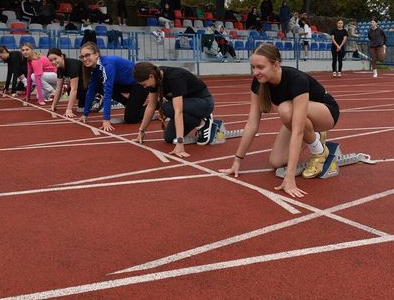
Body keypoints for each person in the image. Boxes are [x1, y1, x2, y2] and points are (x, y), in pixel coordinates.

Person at [219, 43, 339, 198]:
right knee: (276, 162)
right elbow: (252, 124)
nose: (256, 72)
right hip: (297, 116)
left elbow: (298, 130)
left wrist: (289, 178)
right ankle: (315, 136)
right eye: (253, 67)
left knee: (285, 109)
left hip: (326, 112)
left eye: (260, 67)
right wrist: (237, 161)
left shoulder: (296, 80)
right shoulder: (258, 83)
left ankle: (319, 151)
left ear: (276, 64)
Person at [134, 62, 216, 157]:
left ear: (151, 76)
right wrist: (141, 131)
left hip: (204, 103)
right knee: (169, 138)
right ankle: (197, 120)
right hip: (186, 105)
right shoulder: (155, 80)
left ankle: (203, 122)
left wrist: (180, 144)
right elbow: (151, 106)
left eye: (144, 84)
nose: (144, 87)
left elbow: (178, 111)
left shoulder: (174, 77)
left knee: (167, 107)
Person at [79, 42, 148, 130]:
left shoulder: (107, 65)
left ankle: (156, 105)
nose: (84, 59)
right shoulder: (95, 68)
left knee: (130, 119)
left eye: (87, 55)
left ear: (96, 54)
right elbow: (91, 91)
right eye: (82, 57)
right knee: (98, 86)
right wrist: (85, 114)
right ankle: (129, 105)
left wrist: (106, 119)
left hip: (140, 84)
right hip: (125, 84)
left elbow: (108, 92)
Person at [47, 48, 86, 117]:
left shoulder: (72, 66)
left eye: (55, 59)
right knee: (70, 91)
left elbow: (74, 89)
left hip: (93, 83)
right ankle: (85, 101)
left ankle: (96, 98)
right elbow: (58, 88)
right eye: (51, 60)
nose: (53, 62)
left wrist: (69, 109)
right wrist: (53, 105)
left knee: (73, 89)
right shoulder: (59, 69)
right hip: (83, 85)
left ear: (61, 56)